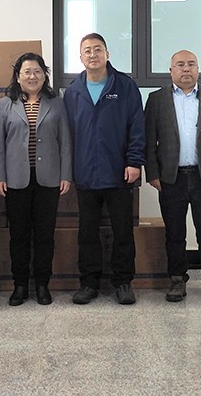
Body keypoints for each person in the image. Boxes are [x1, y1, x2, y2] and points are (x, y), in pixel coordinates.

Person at [63, 33, 145, 305]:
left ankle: (123, 282)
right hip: (85, 174)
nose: (93, 54)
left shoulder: (125, 86)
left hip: (119, 172)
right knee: (87, 233)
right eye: (87, 50)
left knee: (123, 232)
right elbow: (67, 135)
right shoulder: (73, 91)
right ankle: (89, 283)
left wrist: (134, 161)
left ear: (107, 54)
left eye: (98, 49)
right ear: (81, 57)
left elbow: (137, 126)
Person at [145, 50, 201, 304]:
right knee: (175, 233)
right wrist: (152, 173)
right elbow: (149, 140)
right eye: (180, 64)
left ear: (198, 69)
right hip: (171, 177)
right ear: (171, 70)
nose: (186, 69)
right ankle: (177, 279)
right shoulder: (157, 99)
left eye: (191, 64)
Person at [0, 53, 72, 307]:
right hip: (15, 180)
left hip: (48, 179)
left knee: (45, 235)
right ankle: (20, 285)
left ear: (44, 76)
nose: (32, 76)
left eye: (37, 71)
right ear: (18, 77)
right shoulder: (6, 104)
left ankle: (42, 285)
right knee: (19, 235)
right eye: (27, 72)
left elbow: (65, 142)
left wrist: (66, 174)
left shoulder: (56, 104)